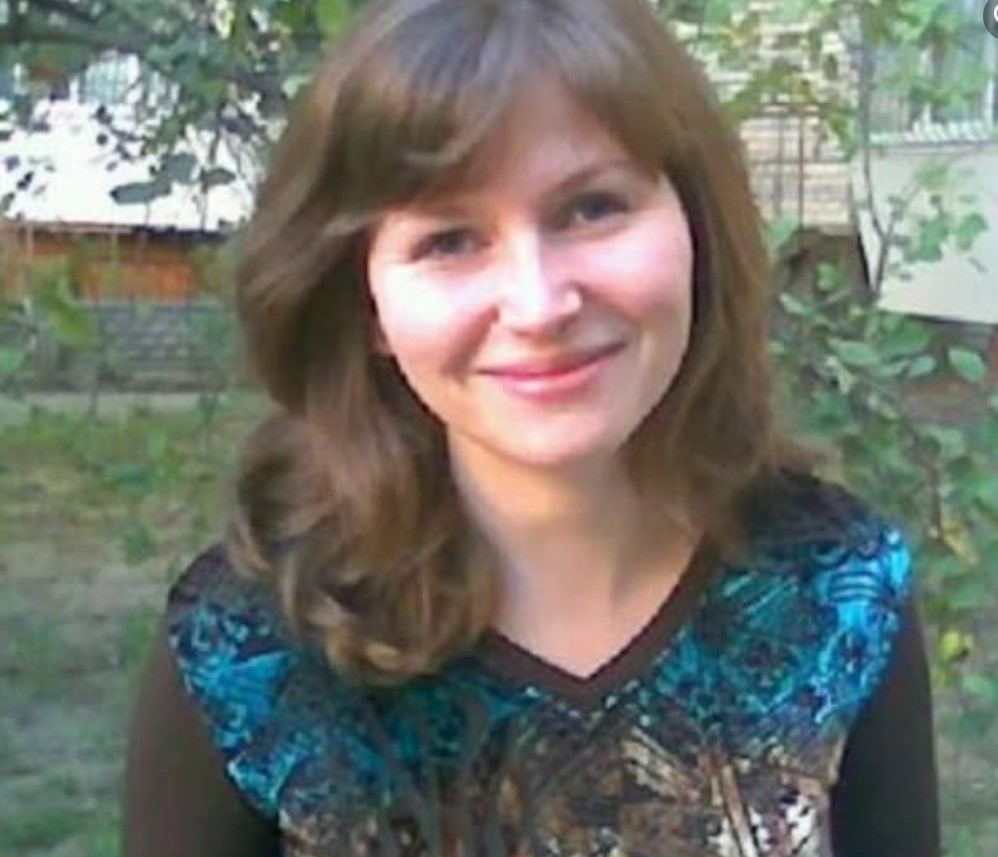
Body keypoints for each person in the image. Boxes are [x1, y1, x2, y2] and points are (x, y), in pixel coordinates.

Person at [122, 0, 941, 854]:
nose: (540, 304)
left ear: (696, 228)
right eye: (449, 240)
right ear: (364, 304)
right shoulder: (249, 651)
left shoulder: (838, 593)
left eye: (591, 207)